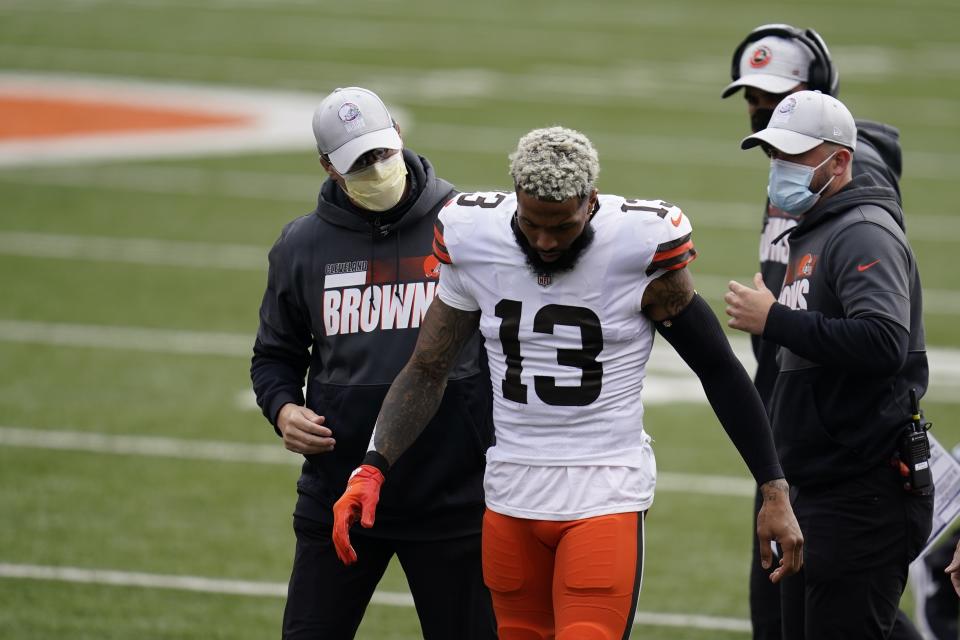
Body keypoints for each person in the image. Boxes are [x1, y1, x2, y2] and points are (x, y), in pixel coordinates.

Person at [331, 126, 803, 639]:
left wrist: (773, 487)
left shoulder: (640, 247)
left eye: (563, 226)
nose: (546, 241)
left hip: (603, 492)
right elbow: (428, 367)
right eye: (532, 225)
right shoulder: (472, 236)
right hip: (510, 493)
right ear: (515, 202)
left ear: (591, 203)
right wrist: (372, 468)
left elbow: (717, 368)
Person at [250, 86, 496, 640]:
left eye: (381, 152)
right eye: (359, 161)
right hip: (340, 497)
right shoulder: (301, 246)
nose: (377, 168)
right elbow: (275, 356)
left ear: (400, 138)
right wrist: (283, 408)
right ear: (328, 168)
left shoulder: (469, 226)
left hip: (454, 499)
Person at [721, 24, 910, 640]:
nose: (762, 107)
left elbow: (883, 337)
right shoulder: (806, 193)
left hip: (847, 464)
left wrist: (774, 319)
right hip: (800, 442)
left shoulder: (855, 210)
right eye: (753, 98)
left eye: (778, 96)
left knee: (816, 614)